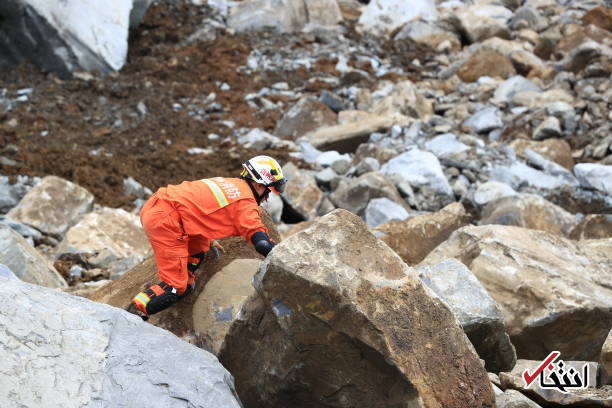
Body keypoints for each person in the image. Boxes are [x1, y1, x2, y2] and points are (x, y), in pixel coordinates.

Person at [126, 155, 286, 319]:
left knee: (198, 251)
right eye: (268, 191)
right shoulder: (245, 202)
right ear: (259, 184)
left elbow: (199, 207)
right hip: (166, 220)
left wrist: (208, 240)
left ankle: (185, 278)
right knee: (174, 288)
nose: (267, 197)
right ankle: (134, 313)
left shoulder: (228, 182)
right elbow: (261, 242)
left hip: (163, 205)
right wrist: (284, 260)